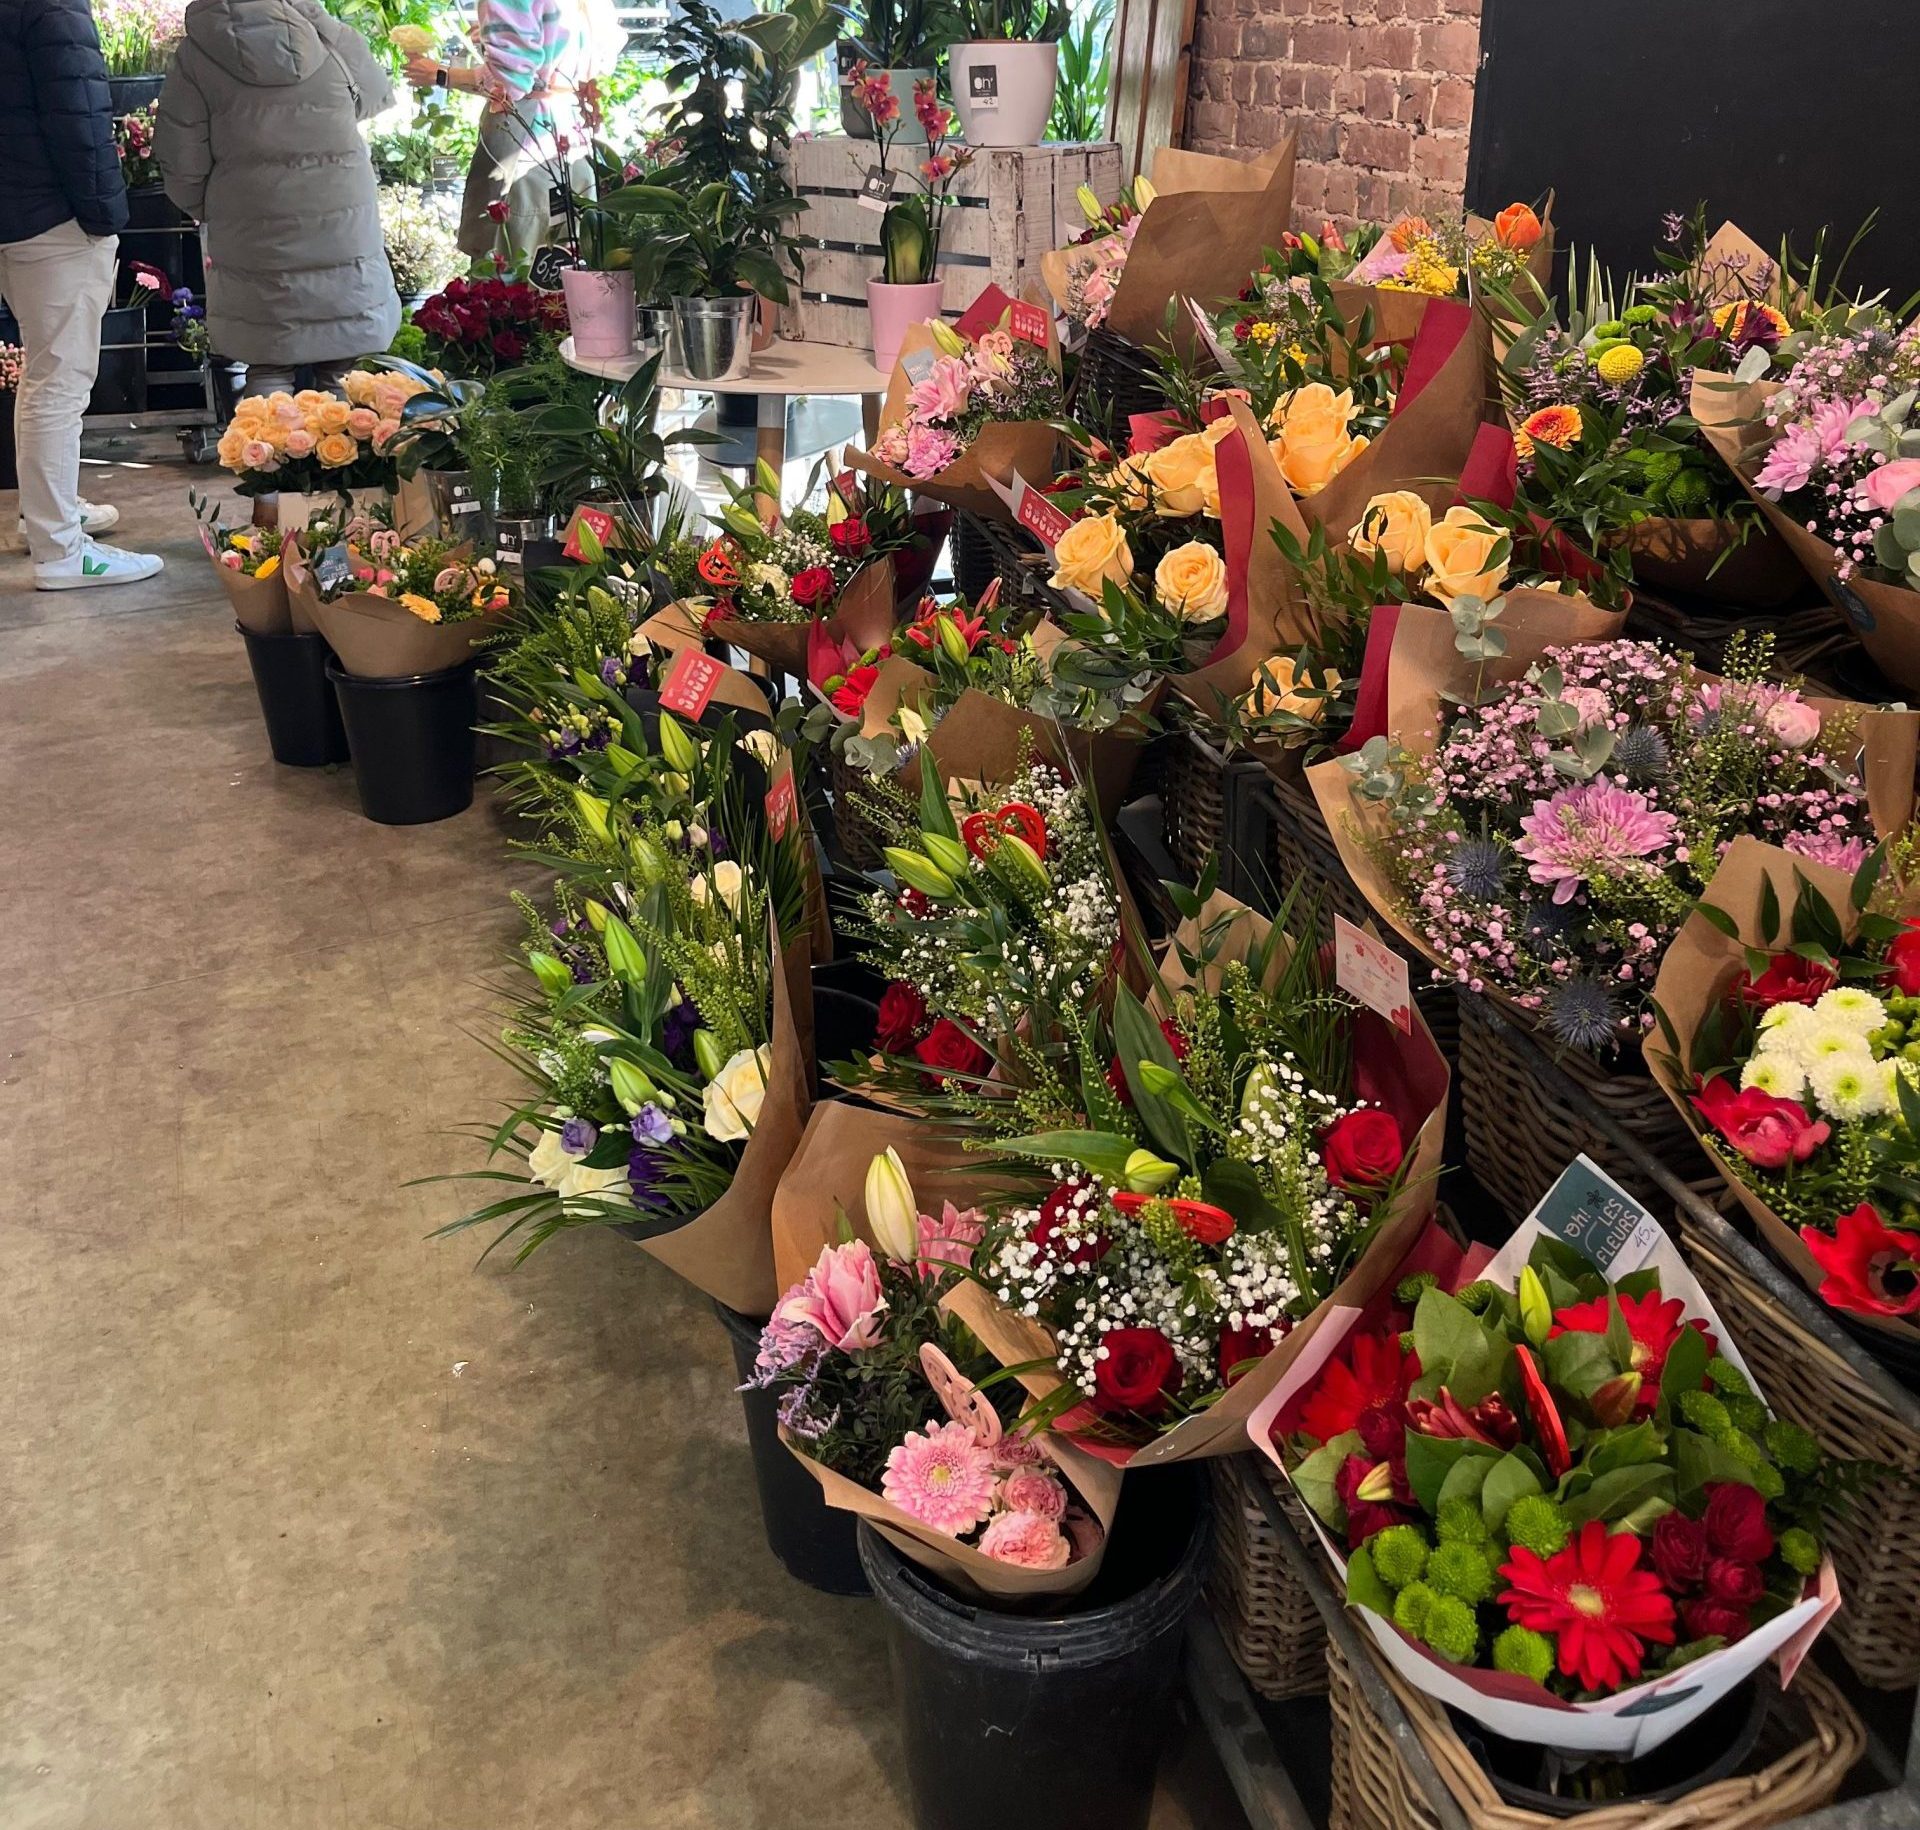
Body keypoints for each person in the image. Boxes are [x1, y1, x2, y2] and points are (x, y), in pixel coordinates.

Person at [157, 0, 399, 398]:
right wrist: (319, 18)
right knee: (344, 370)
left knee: (268, 364)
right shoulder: (323, 32)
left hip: (251, 232)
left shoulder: (197, 52)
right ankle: (343, 438)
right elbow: (376, 95)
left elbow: (180, 160)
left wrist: (216, 210)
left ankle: (264, 437)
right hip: (343, 225)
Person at [0, 0, 164, 589]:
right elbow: (79, 119)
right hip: (53, 214)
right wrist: (105, 217)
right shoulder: (51, 7)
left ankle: (47, 514)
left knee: (43, 378)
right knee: (59, 383)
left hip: (17, 210)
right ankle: (62, 551)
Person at [409, 0, 626, 269]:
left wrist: (442, 75)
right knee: (571, 277)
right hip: (573, 146)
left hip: (526, 151)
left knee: (515, 277)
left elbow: (510, 84)